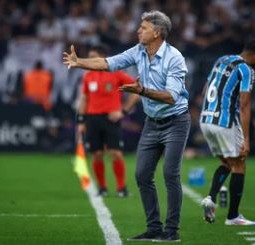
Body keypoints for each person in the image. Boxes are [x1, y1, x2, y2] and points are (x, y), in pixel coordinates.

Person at [64, 10, 190, 242]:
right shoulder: (139, 51)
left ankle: (171, 232)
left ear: (157, 32)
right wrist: (79, 62)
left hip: (175, 122)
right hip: (152, 123)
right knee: (142, 175)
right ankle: (154, 228)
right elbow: (107, 62)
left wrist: (141, 91)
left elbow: (172, 97)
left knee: (170, 174)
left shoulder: (175, 58)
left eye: (143, 28)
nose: (138, 30)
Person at [199, 40, 255, 225]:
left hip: (206, 119)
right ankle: (233, 216)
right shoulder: (247, 70)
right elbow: (244, 105)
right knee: (239, 165)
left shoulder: (222, 60)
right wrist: (246, 138)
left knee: (228, 163)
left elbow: (205, 90)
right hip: (225, 121)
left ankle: (210, 199)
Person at [77, 44, 139, 197]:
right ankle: (102, 188)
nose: (90, 61)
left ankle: (121, 188)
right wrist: (81, 121)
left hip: (111, 119)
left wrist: (123, 111)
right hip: (92, 119)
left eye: (93, 58)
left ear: (102, 58)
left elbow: (136, 91)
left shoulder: (116, 73)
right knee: (96, 154)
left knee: (116, 153)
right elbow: (84, 99)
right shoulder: (88, 76)